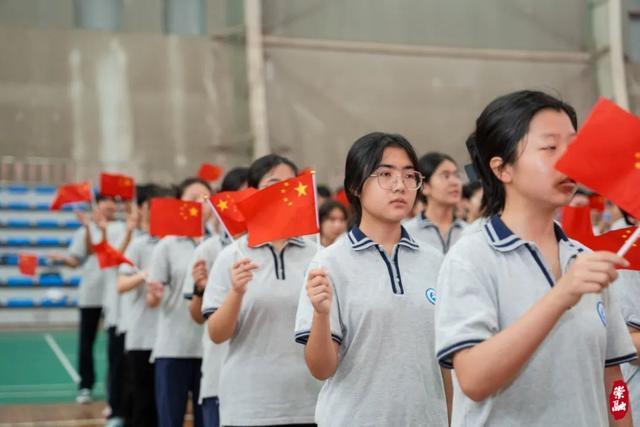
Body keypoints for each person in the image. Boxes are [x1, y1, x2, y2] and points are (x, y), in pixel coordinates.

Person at [435, 90, 636, 426]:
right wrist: (561, 296)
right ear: (502, 169)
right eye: (550, 147)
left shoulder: (584, 260)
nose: (570, 159)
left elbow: (614, 380)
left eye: (573, 145)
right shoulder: (471, 258)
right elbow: (473, 380)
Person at [296, 132, 450, 426]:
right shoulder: (329, 262)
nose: (399, 186)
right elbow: (321, 369)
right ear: (355, 186)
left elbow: (447, 364)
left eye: (409, 176)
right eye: (385, 174)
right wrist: (320, 314)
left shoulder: (435, 261)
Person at [203, 155, 322, 427]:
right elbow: (217, 334)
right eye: (273, 183)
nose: (284, 191)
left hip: (310, 402)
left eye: (291, 184)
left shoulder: (320, 256)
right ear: (252, 193)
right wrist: (236, 291)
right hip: (249, 405)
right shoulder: (232, 256)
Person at [183, 167, 249, 427]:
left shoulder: (286, 250)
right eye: (239, 196)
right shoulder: (209, 250)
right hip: (220, 372)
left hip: (265, 386)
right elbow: (198, 316)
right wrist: (201, 289)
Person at [146, 177, 213, 427]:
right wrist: (153, 296)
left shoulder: (220, 244)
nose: (199, 204)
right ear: (180, 204)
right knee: (170, 420)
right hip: (173, 348)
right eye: (192, 198)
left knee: (205, 421)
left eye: (205, 198)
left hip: (208, 349)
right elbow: (152, 300)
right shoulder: (166, 245)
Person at [404, 151, 465, 253]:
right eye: (446, 176)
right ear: (425, 186)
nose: (455, 182)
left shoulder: (469, 232)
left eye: (457, 175)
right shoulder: (407, 233)